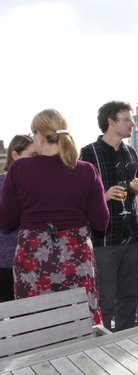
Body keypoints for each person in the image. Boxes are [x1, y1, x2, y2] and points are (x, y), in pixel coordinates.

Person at [0, 109, 109, 324]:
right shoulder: (87, 170)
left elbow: (6, 222)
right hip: (75, 257)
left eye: (33, 134)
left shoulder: (20, 168)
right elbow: (100, 221)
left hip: (33, 258)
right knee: (78, 322)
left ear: (39, 134)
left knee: (36, 322)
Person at [79, 101, 138, 331]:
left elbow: (130, 192)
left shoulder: (131, 153)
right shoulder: (88, 154)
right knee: (104, 301)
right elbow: (79, 199)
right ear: (111, 122)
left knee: (130, 297)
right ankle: (103, 348)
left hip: (132, 236)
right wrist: (103, 196)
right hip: (104, 240)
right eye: (127, 119)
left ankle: (125, 342)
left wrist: (134, 189)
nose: (132, 123)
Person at [0, 135, 35, 302]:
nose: (36, 161)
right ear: (15, 155)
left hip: (33, 262)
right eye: (31, 155)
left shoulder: (35, 184)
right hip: (5, 265)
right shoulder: (2, 183)